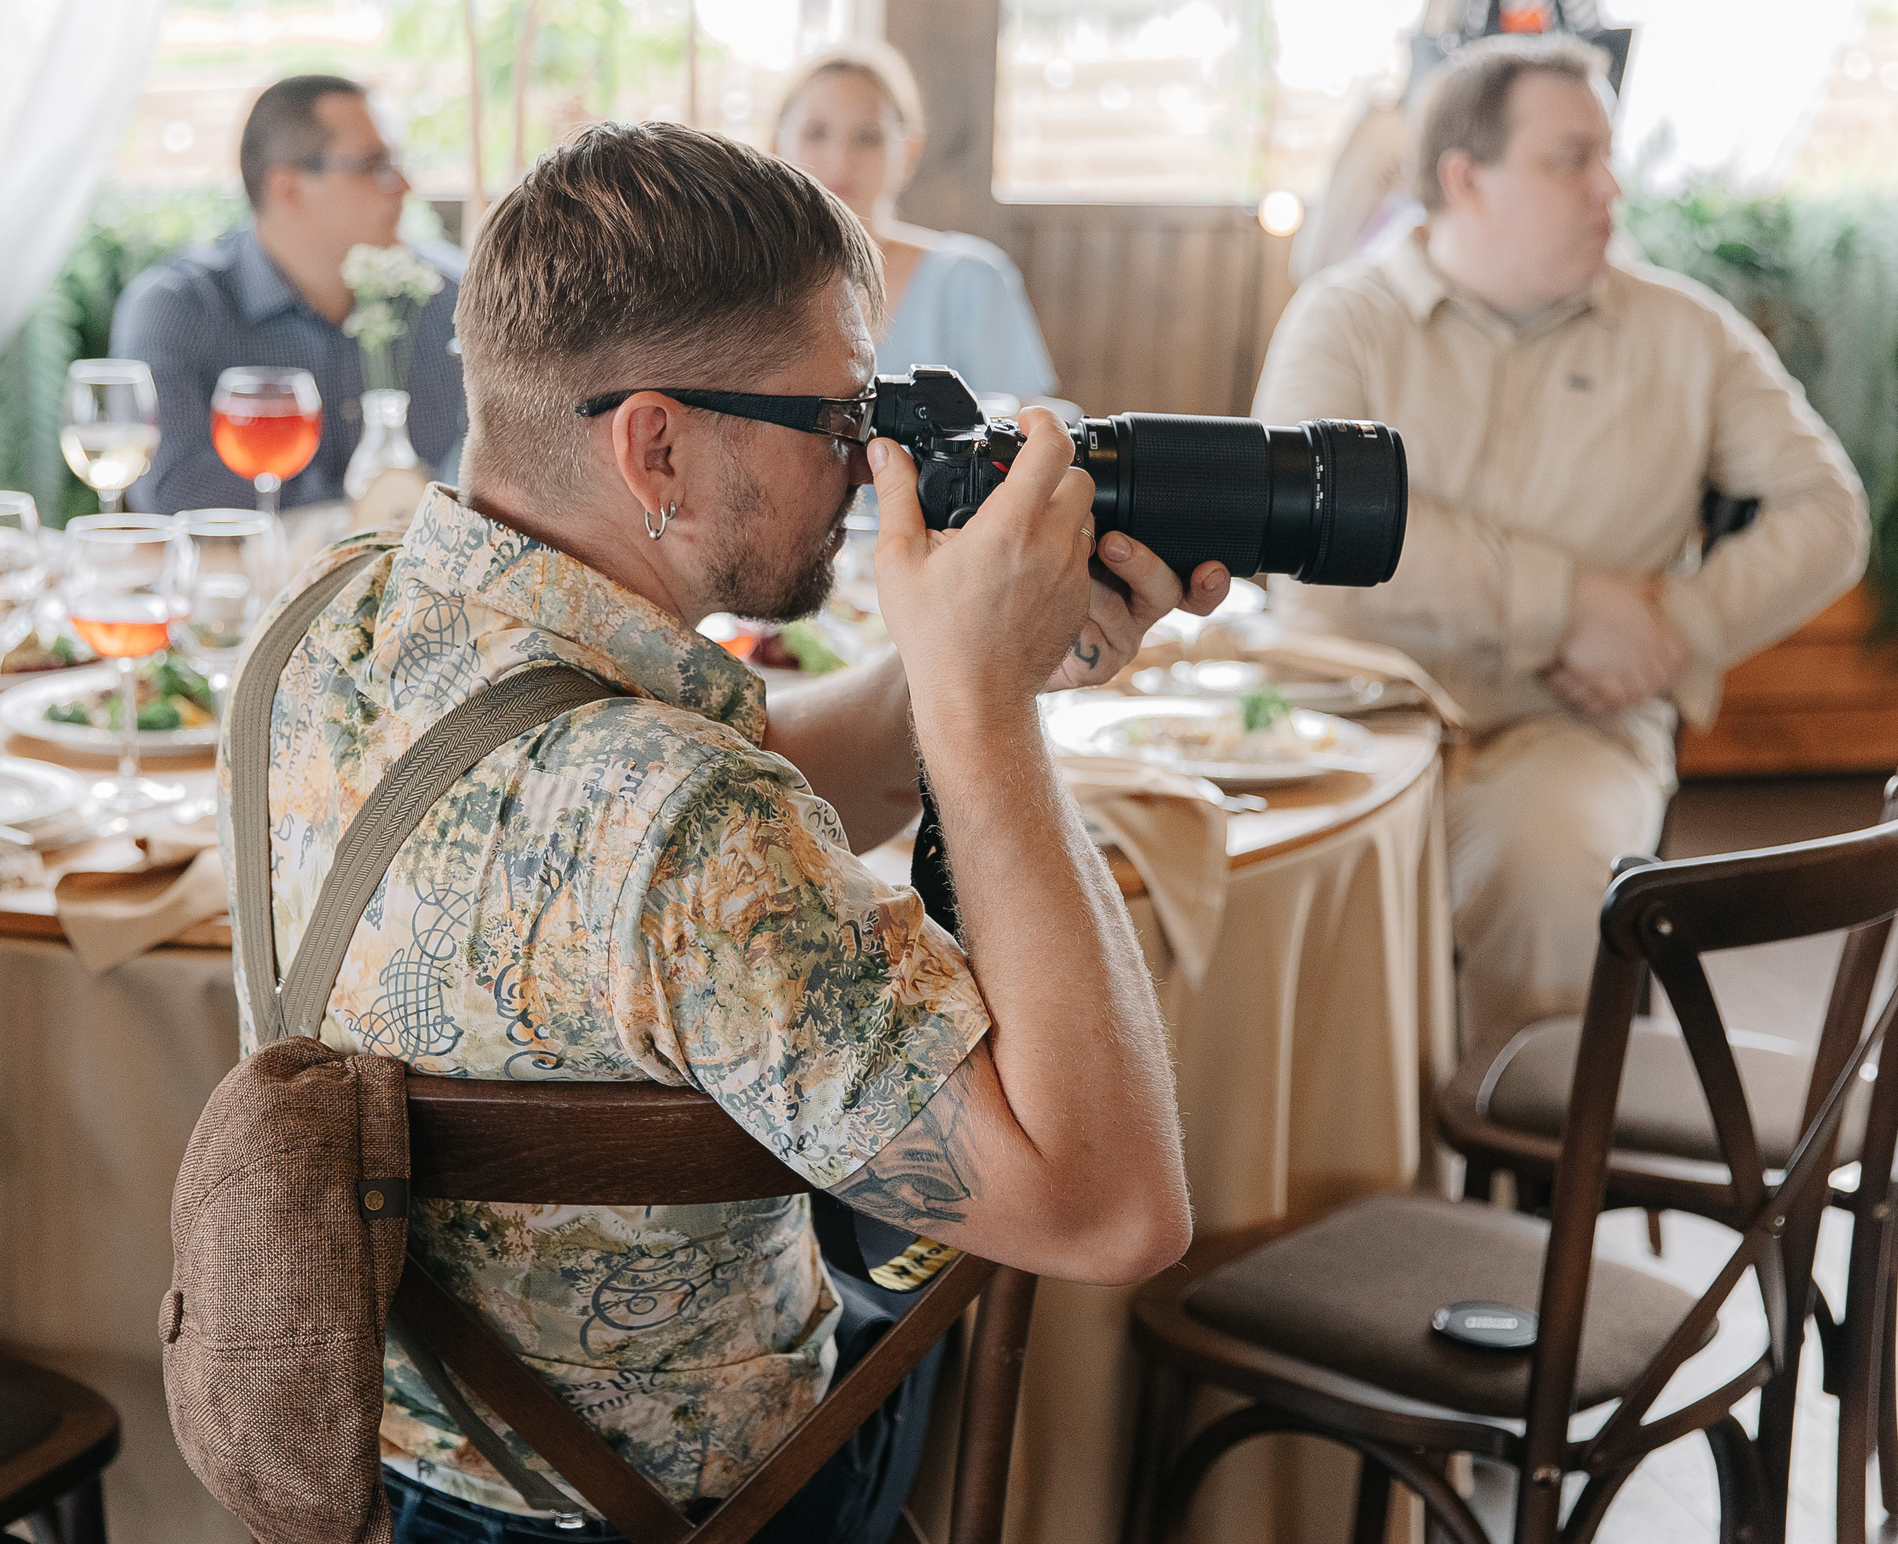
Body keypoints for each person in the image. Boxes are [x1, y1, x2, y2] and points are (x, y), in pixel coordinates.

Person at [236, 122, 1232, 1542]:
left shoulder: (329, 614)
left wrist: (985, 663)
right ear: (657, 444)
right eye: (838, 418)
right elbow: (1110, 1212)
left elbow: (696, 777)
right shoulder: (698, 835)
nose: (868, 458)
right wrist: (986, 722)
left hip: (382, 1464)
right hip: (696, 1508)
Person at [1249, 35, 1870, 1050]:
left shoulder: (1687, 335)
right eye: (1567, 158)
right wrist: (1570, 607)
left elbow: (1827, 511)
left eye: (1607, 155)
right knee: (1250, 887)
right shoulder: (1341, 322)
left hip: (1568, 730)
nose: (1608, 187)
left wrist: (1674, 629)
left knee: (1543, 881)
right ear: (1465, 178)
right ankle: (1337, 1193)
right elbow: (1310, 530)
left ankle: (1528, 1186)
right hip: (1340, 719)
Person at [118, 73, 467, 515]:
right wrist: (363, 514)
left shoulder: (454, 297)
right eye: (374, 166)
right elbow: (175, 489)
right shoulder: (179, 307)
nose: (403, 186)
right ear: (289, 189)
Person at [774, 44, 1058, 403]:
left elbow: (1026, 425)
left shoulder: (969, 279)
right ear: (776, 143)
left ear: (909, 151)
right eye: (815, 133)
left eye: (868, 137)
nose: (840, 160)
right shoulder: (748, 284)